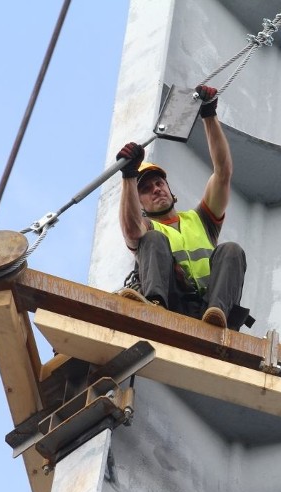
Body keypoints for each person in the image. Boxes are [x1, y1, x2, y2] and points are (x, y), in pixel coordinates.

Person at [115, 85, 248, 329]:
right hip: (171, 303)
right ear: (140, 203)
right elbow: (132, 230)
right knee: (152, 239)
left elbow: (223, 172)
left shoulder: (200, 220)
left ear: (170, 190)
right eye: (145, 189)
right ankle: (153, 305)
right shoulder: (147, 228)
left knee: (231, 249)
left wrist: (209, 115)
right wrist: (129, 176)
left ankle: (217, 316)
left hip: (210, 308)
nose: (156, 189)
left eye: (159, 183)